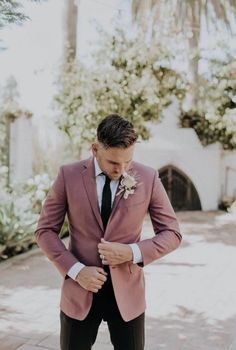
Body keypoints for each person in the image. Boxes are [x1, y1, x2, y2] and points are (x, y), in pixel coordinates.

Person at [35, 114, 182, 350]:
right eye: (114, 162)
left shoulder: (149, 177)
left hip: (128, 296)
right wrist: (76, 270)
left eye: (128, 161)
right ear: (95, 149)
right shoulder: (68, 175)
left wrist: (131, 252)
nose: (121, 169)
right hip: (80, 290)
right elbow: (45, 231)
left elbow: (172, 233)